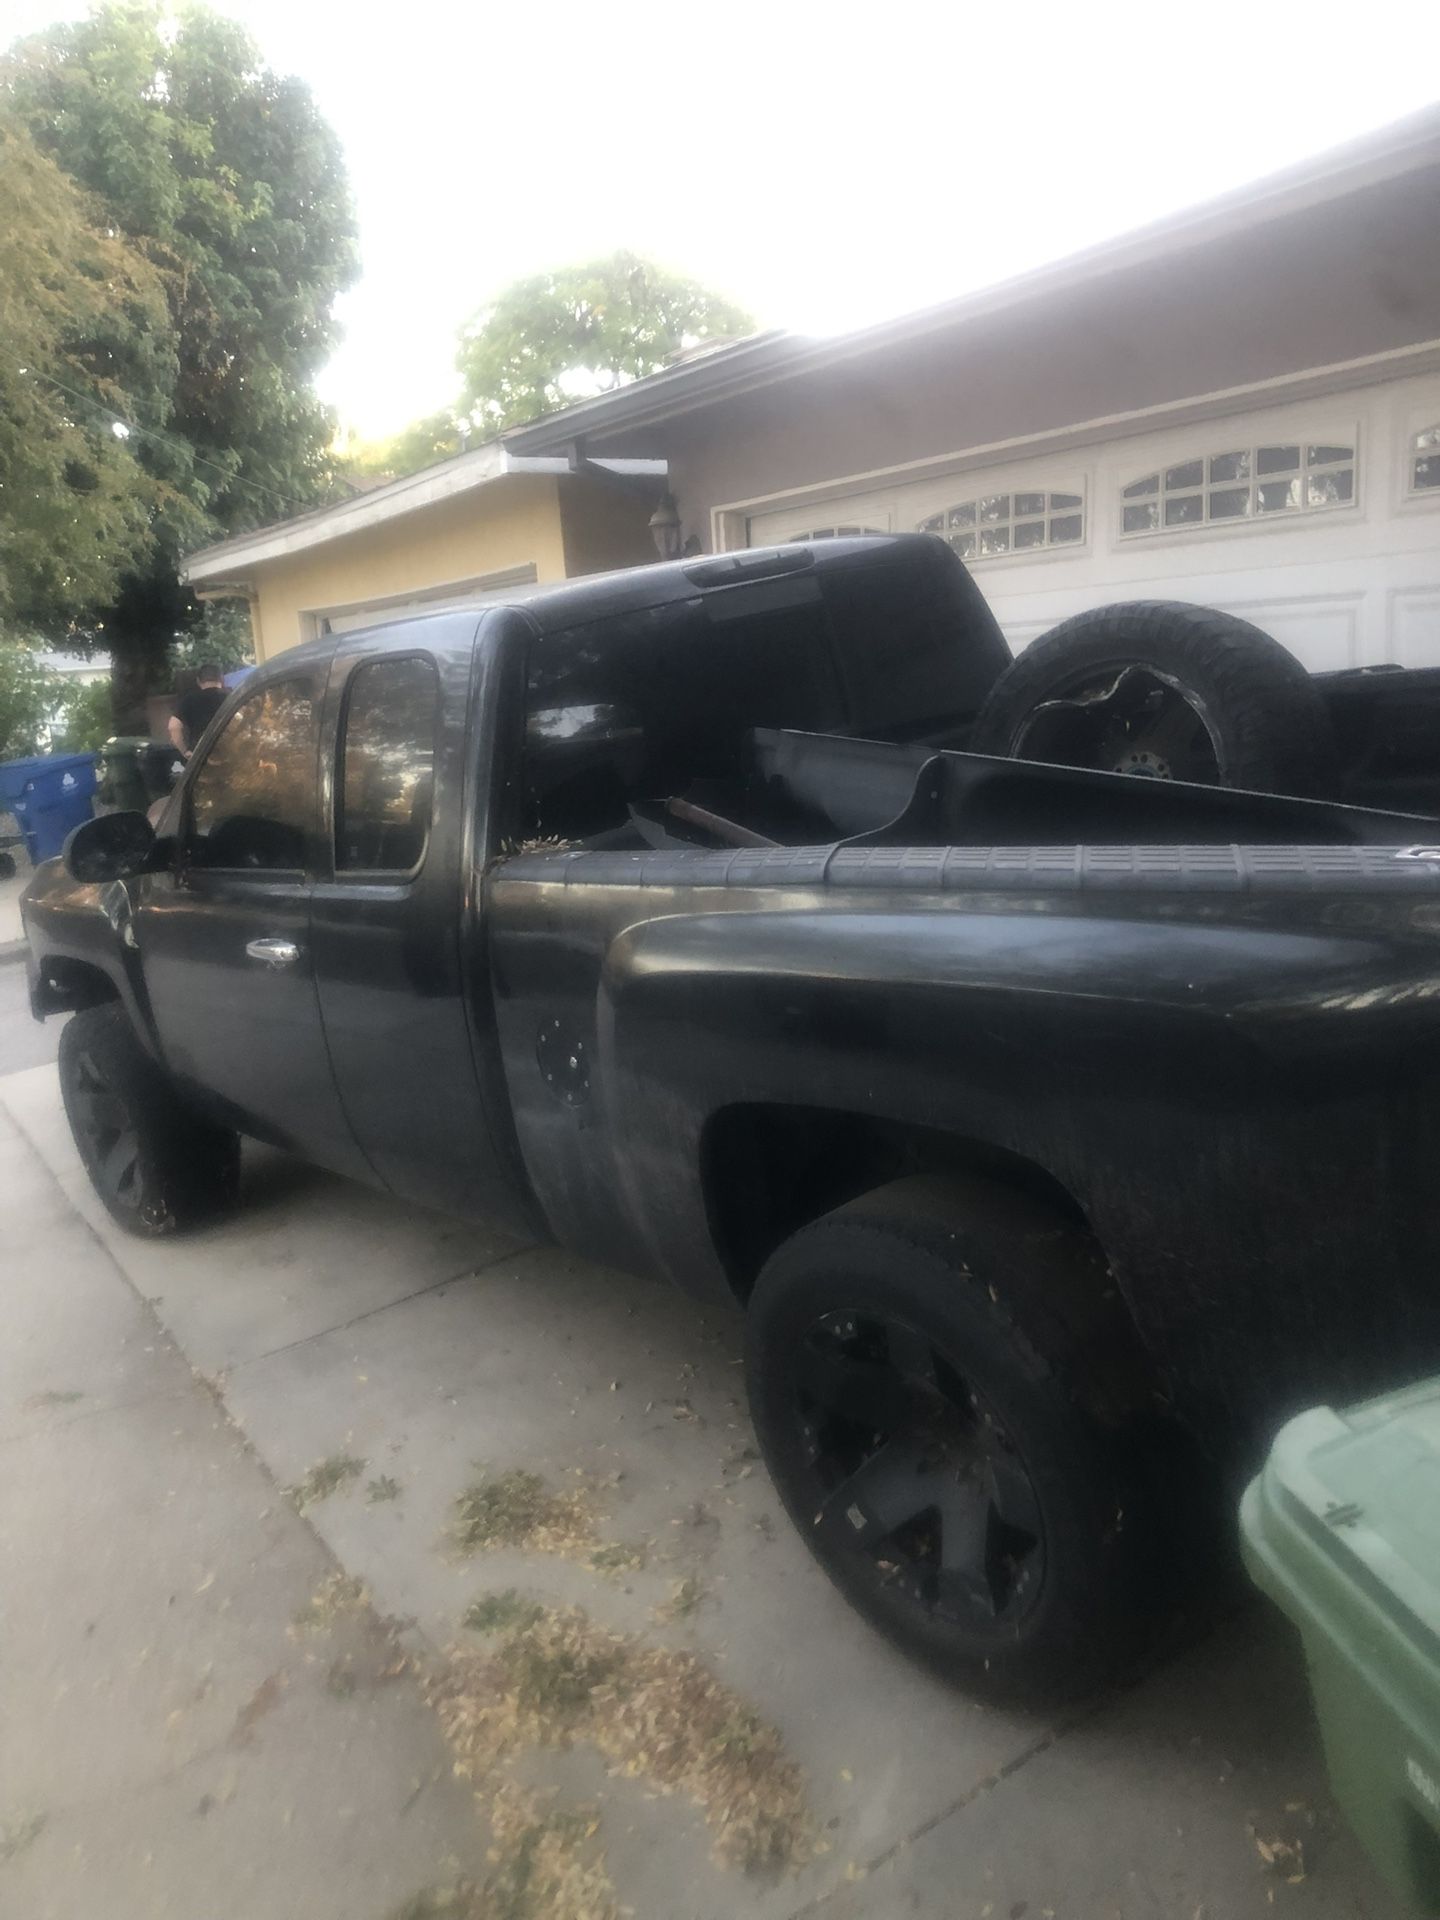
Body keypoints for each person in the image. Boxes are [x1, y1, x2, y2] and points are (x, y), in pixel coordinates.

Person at [169, 662, 226, 758]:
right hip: (231, 755)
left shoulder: (189, 700)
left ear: (198, 681)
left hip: (201, 757)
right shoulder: (232, 697)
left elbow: (173, 727)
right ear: (222, 679)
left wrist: (185, 752)